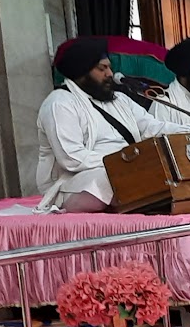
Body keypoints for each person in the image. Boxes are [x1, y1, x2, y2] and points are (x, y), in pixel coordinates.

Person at [35, 37, 169, 213]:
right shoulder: (59, 103)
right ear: (81, 71)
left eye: (109, 67)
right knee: (106, 180)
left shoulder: (119, 99)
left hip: (127, 169)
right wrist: (125, 162)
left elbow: (152, 127)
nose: (110, 74)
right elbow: (72, 158)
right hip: (71, 182)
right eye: (102, 68)